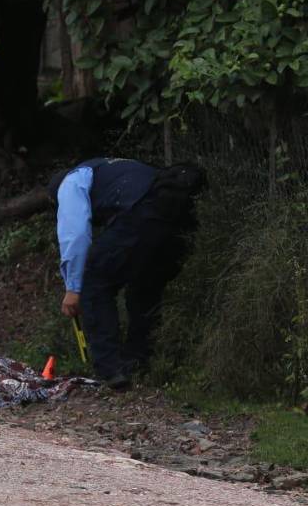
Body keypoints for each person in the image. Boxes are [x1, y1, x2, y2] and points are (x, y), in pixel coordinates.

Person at [50, 157, 207, 390]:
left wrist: (73, 288)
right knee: (145, 286)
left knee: (95, 282)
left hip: (141, 215)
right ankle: (139, 362)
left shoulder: (70, 183)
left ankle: (111, 369)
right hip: (179, 222)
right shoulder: (108, 168)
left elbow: (76, 235)